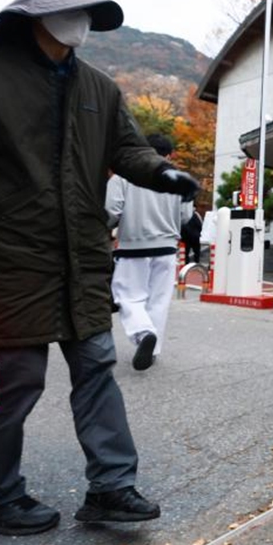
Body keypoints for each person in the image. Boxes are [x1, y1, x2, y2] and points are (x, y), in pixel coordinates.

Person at [0, 0, 200, 536]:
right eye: (68, 10)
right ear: (34, 12)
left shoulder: (98, 87)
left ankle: (112, 487)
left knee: (96, 366)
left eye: (84, 11)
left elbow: (128, 150)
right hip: (9, 257)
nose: (80, 22)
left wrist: (165, 174)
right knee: (17, 379)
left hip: (83, 259)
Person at [107, 133, 194, 371]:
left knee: (127, 295)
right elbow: (186, 217)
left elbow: (111, 211)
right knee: (158, 300)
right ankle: (152, 350)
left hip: (133, 246)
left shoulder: (123, 177)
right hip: (167, 248)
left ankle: (142, 332)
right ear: (171, 155)